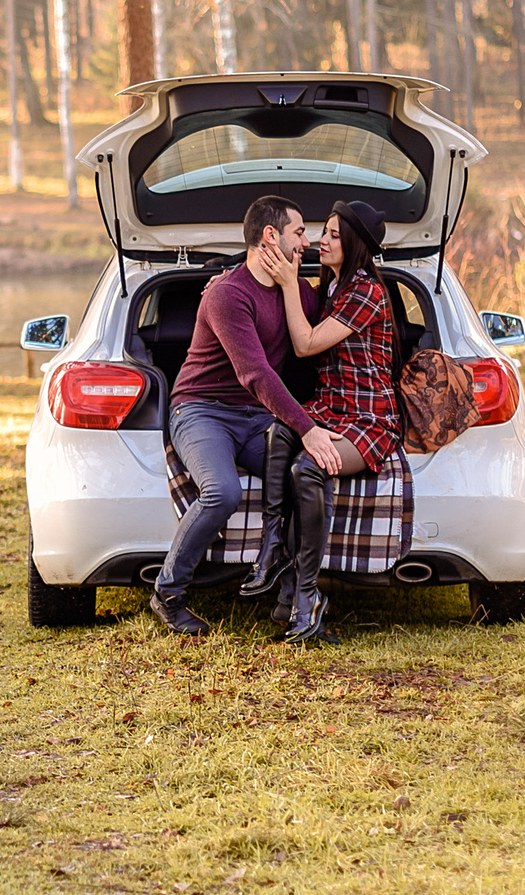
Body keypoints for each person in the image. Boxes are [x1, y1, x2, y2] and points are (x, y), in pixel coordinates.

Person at [149, 195, 350, 638]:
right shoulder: (226, 294)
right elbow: (255, 373)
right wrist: (308, 428)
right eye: (300, 233)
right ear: (271, 236)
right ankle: (168, 592)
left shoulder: (296, 290)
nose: (307, 242)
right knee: (222, 493)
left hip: (256, 417)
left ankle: (290, 601)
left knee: (305, 479)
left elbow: (331, 324)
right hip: (201, 410)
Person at [257, 199, 403, 644]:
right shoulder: (332, 286)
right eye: (324, 231)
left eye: (335, 235)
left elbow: (305, 345)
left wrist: (288, 283)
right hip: (331, 406)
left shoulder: (364, 291)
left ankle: (306, 596)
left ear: (356, 244)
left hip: (370, 417)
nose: (322, 240)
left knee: (309, 468)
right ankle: (272, 553)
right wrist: (224, 279)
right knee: (280, 430)